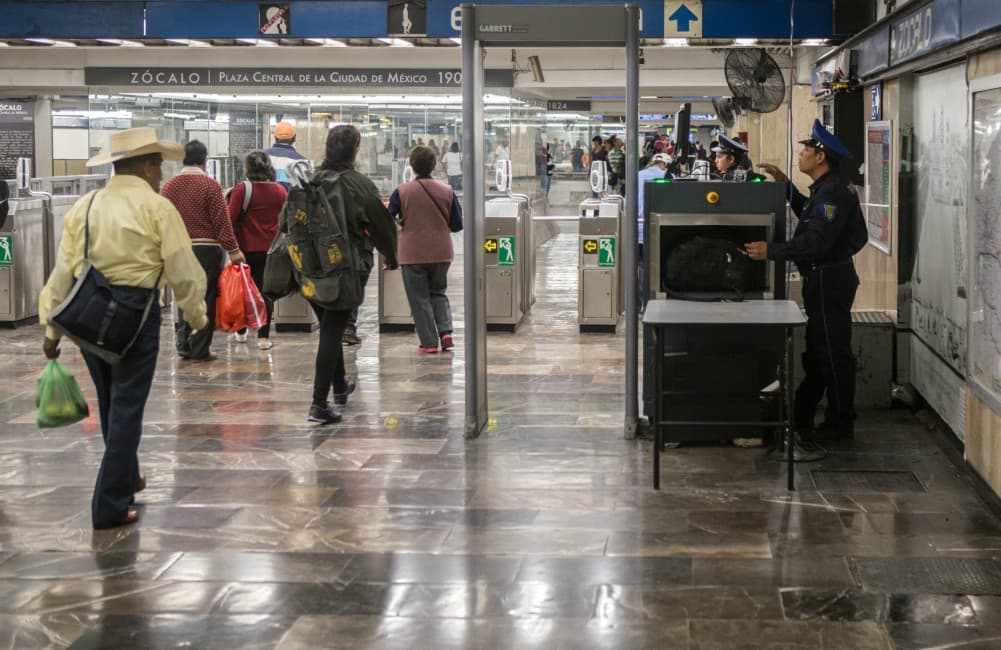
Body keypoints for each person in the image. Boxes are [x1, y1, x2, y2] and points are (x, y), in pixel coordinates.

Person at [38, 127, 209, 529]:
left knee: (113, 405)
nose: (162, 174)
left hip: (88, 315)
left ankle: (127, 478)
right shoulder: (157, 208)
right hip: (136, 315)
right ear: (146, 166)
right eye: (159, 165)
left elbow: (64, 271)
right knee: (128, 410)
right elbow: (183, 269)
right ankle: (110, 505)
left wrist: (51, 330)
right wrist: (197, 317)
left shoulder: (86, 205)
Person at [746, 119, 868, 441]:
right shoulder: (828, 189)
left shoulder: (832, 194)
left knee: (832, 355)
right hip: (825, 279)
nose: (801, 154)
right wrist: (787, 187)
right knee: (818, 354)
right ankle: (802, 416)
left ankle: (841, 424)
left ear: (821, 157)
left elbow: (816, 243)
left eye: (806, 149)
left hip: (829, 281)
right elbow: (811, 216)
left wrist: (770, 251)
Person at [303, 124, 398, 424]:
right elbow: (381, 225)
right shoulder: (358, 184)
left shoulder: (311, 179)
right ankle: (319, 404)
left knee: (330, 323)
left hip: (308, 267)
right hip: (345, 268)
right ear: (356, 149)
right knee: (332, 330)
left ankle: (340, 387)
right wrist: (391, 256)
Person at [160, 140, 245, 362]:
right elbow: (221, 222)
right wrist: (234, 249)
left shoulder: (169, 186)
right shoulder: (210, 185)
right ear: (204, 161)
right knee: (205, 299)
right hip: (206, 250)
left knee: (183, 295)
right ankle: (200, 349)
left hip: (178, 249)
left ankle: (183, 341)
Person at [389, 145, 460, 353]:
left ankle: (429, 342)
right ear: (434, 164)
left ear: (411, 165)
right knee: (438, 292)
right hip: (441, 252)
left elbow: (388, 219)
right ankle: (446, 332)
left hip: (412, 253)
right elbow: (457, 224)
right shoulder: (447, 191)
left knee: (419, 298)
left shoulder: (401, 192)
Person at [227, 150, 287, 350]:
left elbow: (230, 219)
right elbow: (285, 221)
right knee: (265, 293)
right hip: (271, 251)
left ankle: (242, 329)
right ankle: (263, 337)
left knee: (244, 291)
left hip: (245, 250)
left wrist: (232, 247)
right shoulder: (280, 191)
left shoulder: (242, 189)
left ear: (248, 168)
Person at [636, 153, 672, 307]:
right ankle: (654, 300)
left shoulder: (638, 175)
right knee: (658, 266)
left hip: (638, 229)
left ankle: (639, 303)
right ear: (665, 164)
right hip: (658, 229)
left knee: (641, 267)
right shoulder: (669, 176)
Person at [264, 121, 306, 187]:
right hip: (291, 197)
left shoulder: (262, 156)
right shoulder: (302, 161)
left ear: (275, 138)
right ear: (294, 138)